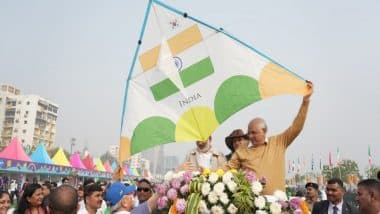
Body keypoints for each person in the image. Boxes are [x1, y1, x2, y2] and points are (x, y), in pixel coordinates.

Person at [224, 81, 313, 195]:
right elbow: (226, 169)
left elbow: (296, 127)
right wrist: (204, 173)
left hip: (277, 206)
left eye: (254, 133)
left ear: (264, 131)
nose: (250, 136)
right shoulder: (242, 152)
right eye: (249, 133)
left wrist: (305, 102)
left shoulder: (279, 142)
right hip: (252, 206)